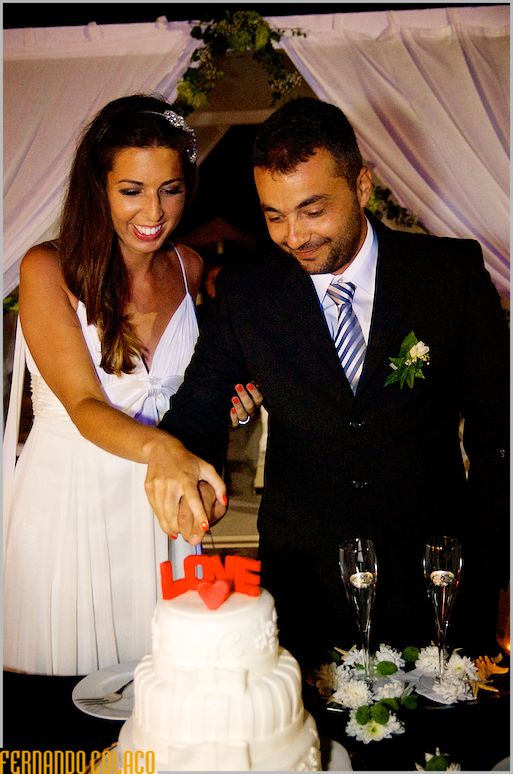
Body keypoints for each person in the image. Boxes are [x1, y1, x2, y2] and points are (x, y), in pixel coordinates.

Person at [155, 97, 509, 670]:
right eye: (274, 216)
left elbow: (500, 435)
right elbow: (197, 406)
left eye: (312, 210)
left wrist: (498, 572)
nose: (293, 236)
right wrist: (183, 467)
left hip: (436, 581)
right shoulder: (247, 295)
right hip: (306, 588)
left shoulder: (450, 276)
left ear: (361, 186)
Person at [2, 93, 261, 676]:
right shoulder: (47, 269)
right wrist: (166, 451)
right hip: (70, 507)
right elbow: (83, 403)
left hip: (158, 506)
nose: (154, 211)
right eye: (131, 190)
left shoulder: (188, 268)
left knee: (165, 693)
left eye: (170, 189)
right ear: (98, 189)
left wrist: (228, 411)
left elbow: (188, 398)